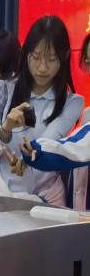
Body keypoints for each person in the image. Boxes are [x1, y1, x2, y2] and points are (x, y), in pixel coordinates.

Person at [0, 15, 82, 205]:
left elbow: (48, 142)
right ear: (26, 53)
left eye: (52, 59)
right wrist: (5, 129)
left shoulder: (71, 103)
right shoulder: (2, 90)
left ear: (65, 57)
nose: (42, 67)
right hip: (1, 197)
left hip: (47, 203)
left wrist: (27, 160)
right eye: (36, 57)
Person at [22, 33, 90, 172]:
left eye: (52, 59)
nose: (42, 68)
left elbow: (72, 148)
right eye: (88, 61)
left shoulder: (74, 102)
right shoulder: (87, 114)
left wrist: (37, 150)